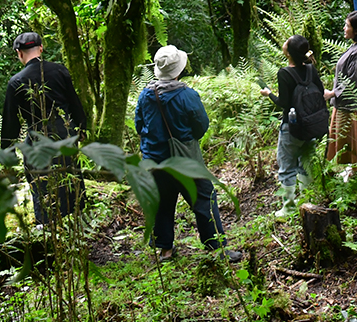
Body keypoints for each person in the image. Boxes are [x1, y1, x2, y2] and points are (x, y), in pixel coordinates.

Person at [135, 45, 241, 262]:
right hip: (184, 159)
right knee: (204, 196)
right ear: (178, 70)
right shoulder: (187, 95)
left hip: (154, 159)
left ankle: (165, 250)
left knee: (162, 201)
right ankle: (216, 248)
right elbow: (201, 125)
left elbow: (139, 125)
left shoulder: (146, 95)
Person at [1, 31, 88, 225]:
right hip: (66, 134)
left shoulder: (16, 81)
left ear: (19, 53)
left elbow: (10, 122)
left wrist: (8, 152)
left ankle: (48, 227)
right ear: (41, 48)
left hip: (37, 139)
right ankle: (78, 222)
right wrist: (81, 128)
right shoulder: (59, 70)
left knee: (42, 184)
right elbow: (74, 102)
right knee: (71, 175)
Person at [259, 34, 326, 217]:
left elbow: (284, 103)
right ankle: (307, 200)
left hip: (292, 127)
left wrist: (269, 94)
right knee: (306, 161)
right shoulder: (311, 70)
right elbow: (320, 92)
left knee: (287, 164)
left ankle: (288, 207)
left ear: (288, 53)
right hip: (311, 125)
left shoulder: (285, 73)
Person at [324, 11, 357, 169]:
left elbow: (353, 81)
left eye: (347, 26)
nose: (344, 28)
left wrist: (332, 93)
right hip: (353, 104)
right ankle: (352, 173)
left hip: (352, 108)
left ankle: (355, 174)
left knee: (352, 145)